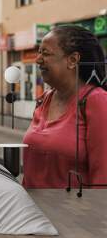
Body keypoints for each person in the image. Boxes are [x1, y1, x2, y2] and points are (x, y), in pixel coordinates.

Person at [23, 25, 107, 188]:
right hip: (33, 210)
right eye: (39, 52)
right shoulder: (44, 99)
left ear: (73, 60)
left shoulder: (97, 101)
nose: (38, 59)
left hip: (72, 212)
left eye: (45, 53)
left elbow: (103, 180)